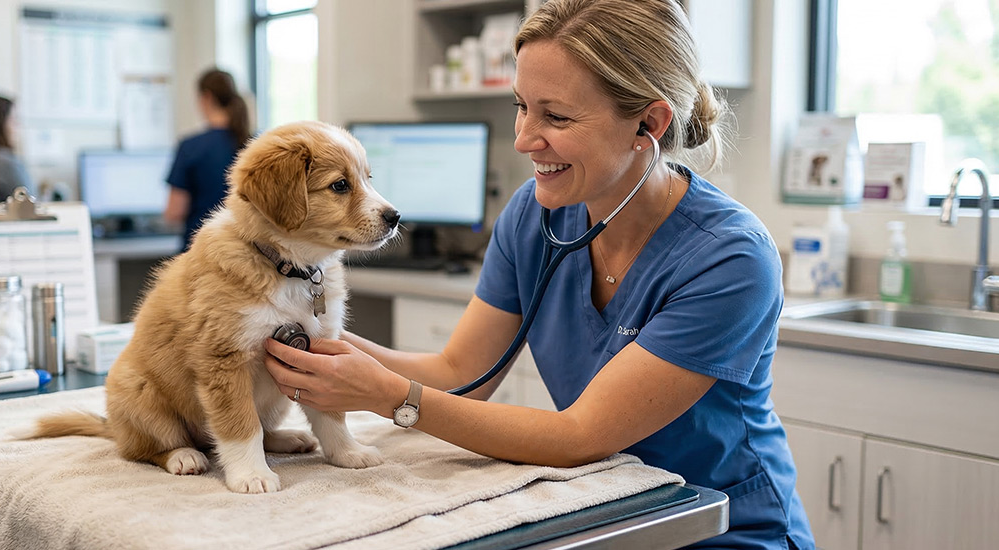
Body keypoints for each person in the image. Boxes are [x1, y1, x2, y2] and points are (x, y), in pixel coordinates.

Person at [262, 1, 814, 548]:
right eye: (522, 106)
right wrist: (305, 336)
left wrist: (388, 397)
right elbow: (461, 373)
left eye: (557, 116)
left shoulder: (730, 259)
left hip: (718, 527)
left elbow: (581, 435)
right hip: (607, 507)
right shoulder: (535, 214)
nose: (524, 138)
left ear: (649, 121)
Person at [163, 68, 250, 251]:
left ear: (206, 98)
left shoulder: (191, 147)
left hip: (202, 253)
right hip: (246, 251)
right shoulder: (253, 144)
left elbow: (174, 212)